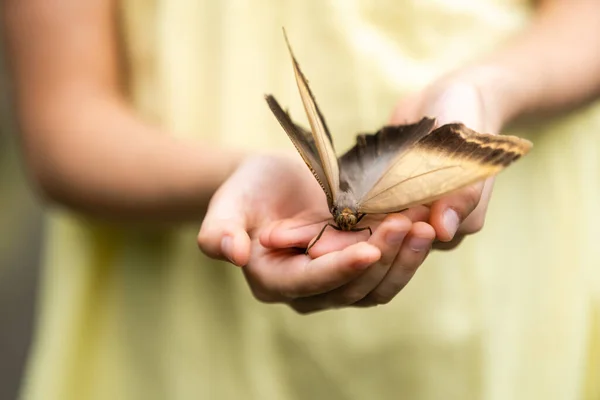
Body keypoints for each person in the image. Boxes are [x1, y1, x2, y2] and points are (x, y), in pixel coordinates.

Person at [2, 0, 600, 399]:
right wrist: (236, 172)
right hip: (185, 346)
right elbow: (63, 123)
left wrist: (483, 91)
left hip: (509, 307)